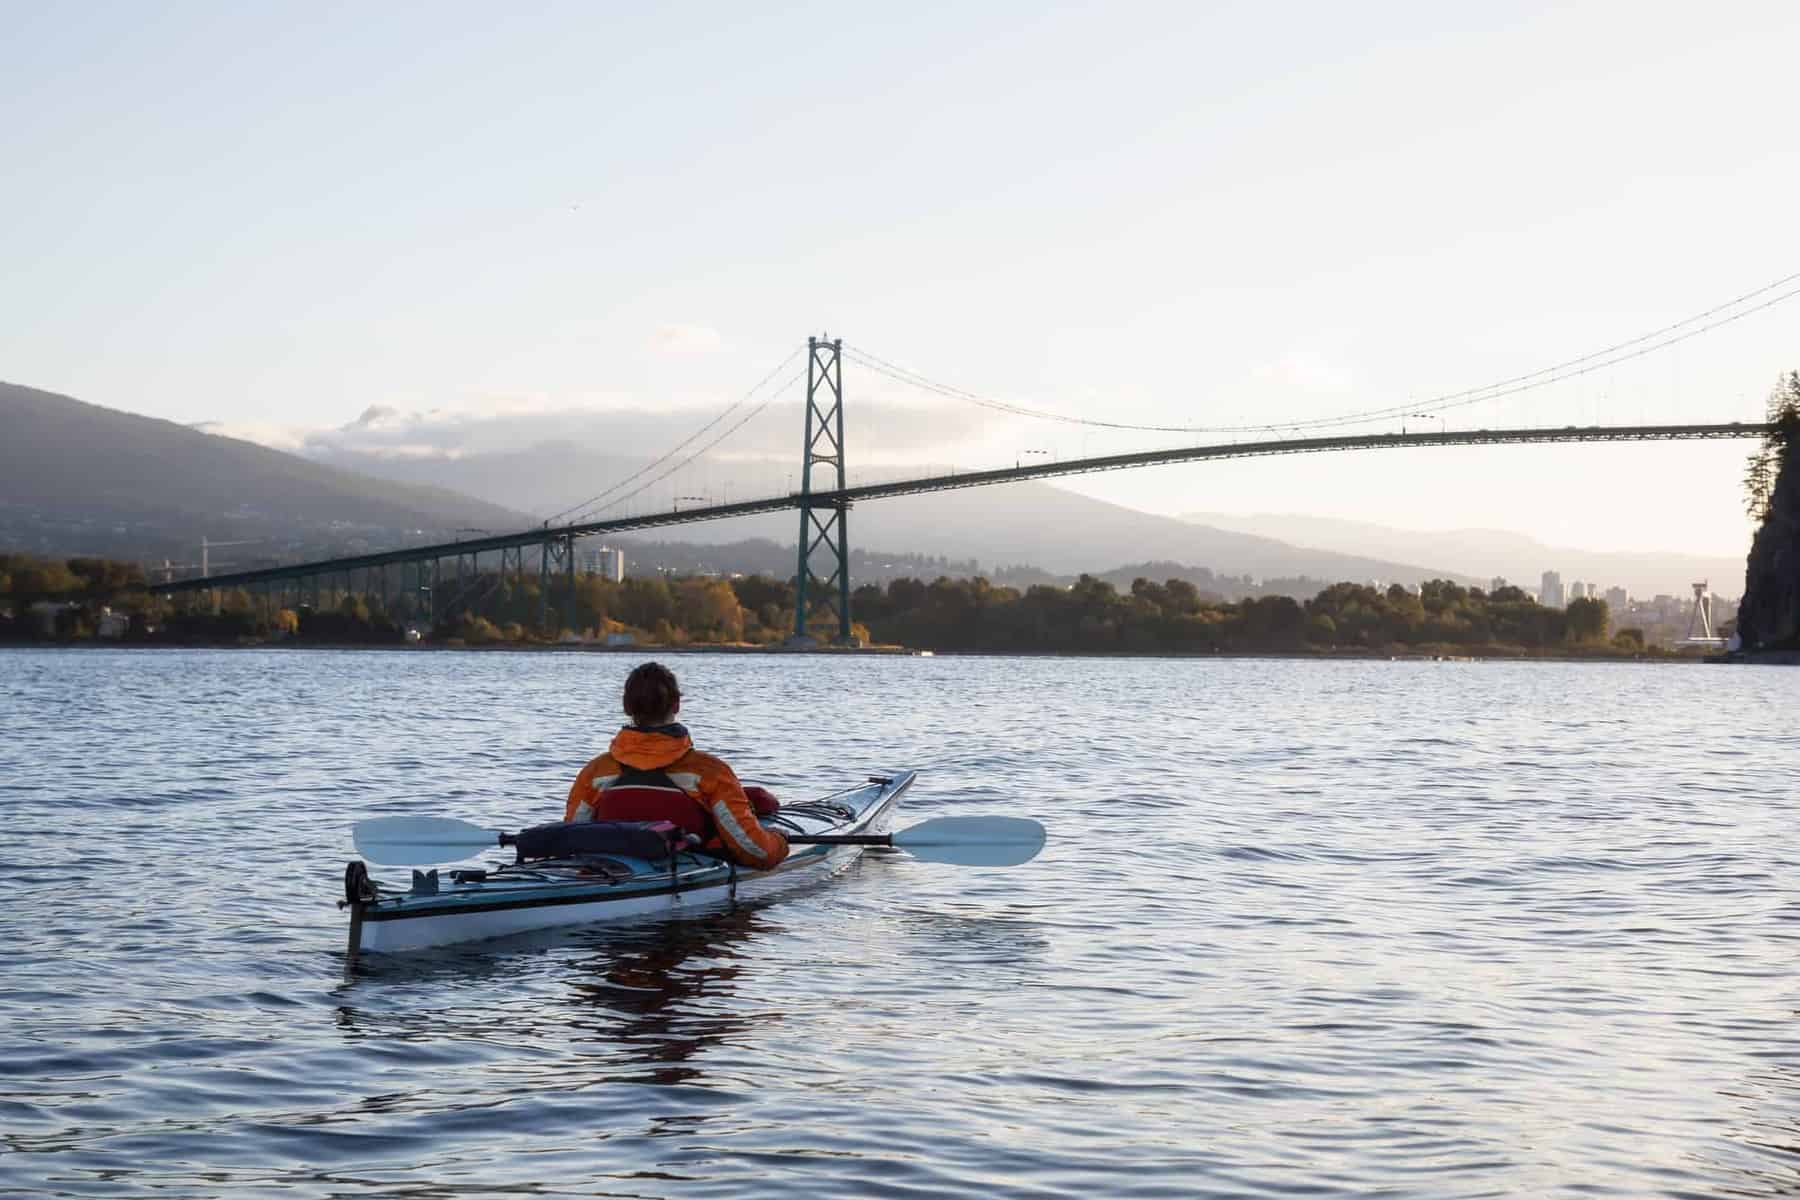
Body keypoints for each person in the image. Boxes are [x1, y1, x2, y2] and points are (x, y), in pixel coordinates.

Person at [565, 662, 789, 869]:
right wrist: (779, 840)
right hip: (685, 870)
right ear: (676, 705)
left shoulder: (595, 771)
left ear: (626, 707)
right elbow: (758, 852)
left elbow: (572, 842)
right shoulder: (710, 771)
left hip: (608, 872)